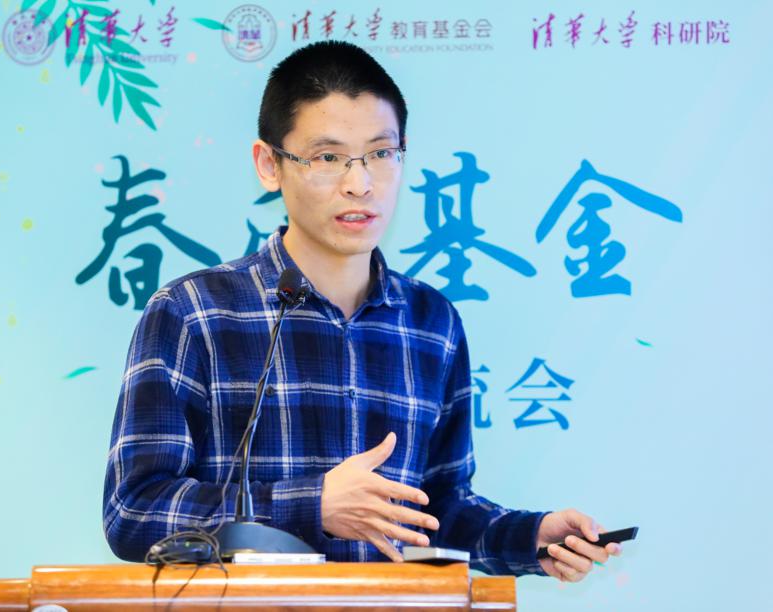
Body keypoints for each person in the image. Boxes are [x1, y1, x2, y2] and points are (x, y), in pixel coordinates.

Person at [103, 40, 621, 581]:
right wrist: (312, 505)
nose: (360, 183)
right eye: (328, 158)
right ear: (269, 164)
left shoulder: (431, 323)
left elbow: (437, 513)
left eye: (381, 153)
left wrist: (530, 537)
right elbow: (133, 510)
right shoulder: (194, 314)